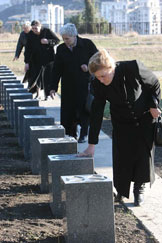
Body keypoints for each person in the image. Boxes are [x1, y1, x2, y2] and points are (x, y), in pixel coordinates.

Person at [79, 49, 161, 206]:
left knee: (142, 155)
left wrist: (153, 105)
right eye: (98, 77)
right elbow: (96, 112)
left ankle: (139, 189)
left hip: (144, 119)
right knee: (122, 157)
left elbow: (154, 83)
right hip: (121, 123)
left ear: (111, 67)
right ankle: (122, 191)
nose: (101, 80)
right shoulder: (98, 83)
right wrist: (91, 145)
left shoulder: (132, 68)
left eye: (103, 75)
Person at [50, 23, 98, 143]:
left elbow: (98, 60)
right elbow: (57, 69)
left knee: (83, 110)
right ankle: (70, 135)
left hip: (84, 85)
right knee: (69, 112)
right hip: (68, 86)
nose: (65, 41)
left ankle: (83, 134)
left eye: (67, 38)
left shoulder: (87, 44)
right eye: (63, 38)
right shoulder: (61, 49)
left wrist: (89, 68)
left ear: (74, 35)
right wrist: (53, 87)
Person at [24, 20, 60, 99]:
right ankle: (36, 93)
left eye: (36, 28)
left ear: (40, 27)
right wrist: (26, 62)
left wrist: (48, 41)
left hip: (48, 58)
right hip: (35, 59)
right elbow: (27, 49)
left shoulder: (47, 31)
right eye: (33, 28)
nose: (34, 30)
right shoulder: (30, 34)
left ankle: (47, 94)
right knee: (35, 76)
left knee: (47, 77)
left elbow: (57, 41)